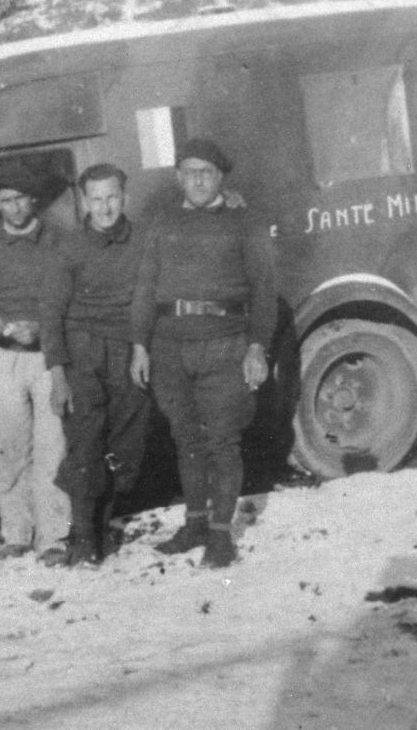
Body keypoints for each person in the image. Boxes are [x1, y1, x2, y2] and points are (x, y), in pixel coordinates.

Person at [130, 138, 277, 567]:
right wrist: (139, 344)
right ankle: (194, 524)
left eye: (206, 172)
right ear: (178, 177)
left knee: (222, 442)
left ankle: (220, 535)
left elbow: (264, 291)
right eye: (189, 172)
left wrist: (256, 347)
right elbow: (144, 287)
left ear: (220, 178)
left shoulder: (245, 223)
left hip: (224, 345)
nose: (197, 180)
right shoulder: (162, 223)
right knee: (185, 439)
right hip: (169, 346)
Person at [40, 163, 152, 565]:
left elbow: (146, 299)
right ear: (84, 201)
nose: (105, 208)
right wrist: (58, 376)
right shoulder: (67, 248)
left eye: (112, 198)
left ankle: (97, 524)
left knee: (126, 447)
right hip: (81, 353)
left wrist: (140, 348)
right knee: (86, 443)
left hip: (127, 351)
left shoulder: (143, 241)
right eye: (96, 199)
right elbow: (50, 315)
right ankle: (85, 536)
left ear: (125, 197)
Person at [0, 161, 71, 565]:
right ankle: (16, 533)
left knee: (53, 448)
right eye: (5, 201)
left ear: (34, 200)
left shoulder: (60, 241)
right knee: (10, 449)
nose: (14, 208)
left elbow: (72, 299)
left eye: (21, 199)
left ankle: (55, 537)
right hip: (2, 360)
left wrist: (43, 328)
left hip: (49, 357)